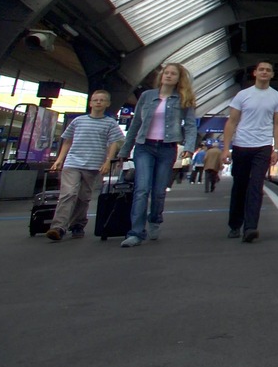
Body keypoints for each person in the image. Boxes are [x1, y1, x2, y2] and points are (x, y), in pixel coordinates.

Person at [118, 63, 198, 248]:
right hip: (144, 147)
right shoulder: (147, 96)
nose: (168, 76)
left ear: (179, 79)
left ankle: (155, 220)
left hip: (167, 148)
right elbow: (136, 124)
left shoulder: (183, 98)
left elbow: (191, 125)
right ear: (161, 76)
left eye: (173, 74)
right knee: (142, 189)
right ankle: (136, 232)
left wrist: (189, 147)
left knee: (159, 191)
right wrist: (124, 150)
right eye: (166, 73)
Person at [45, 89, 124, 241]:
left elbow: (114, 142)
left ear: (107, 104)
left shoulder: (110, 123)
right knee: (68, 193)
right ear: (90, 103)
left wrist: (108, 161)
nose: (98, 102)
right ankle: (58, 227)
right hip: (72, 162)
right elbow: (67, 140)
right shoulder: (78, 121)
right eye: (95, 100)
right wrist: (60, 159)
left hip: (93, 165)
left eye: (102, 100)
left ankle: (77, 224)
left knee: (83, 197)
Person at [222, 62, 278, 242]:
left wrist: (276, 149)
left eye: (268, 70)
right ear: (255, 73)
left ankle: (250, 227)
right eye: (261, 69)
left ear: (272, 74)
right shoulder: (243, 95)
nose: (264, 72)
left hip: (263, 146)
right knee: (240, 186)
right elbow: (232, 122)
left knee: (256, 186)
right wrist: (226, 148)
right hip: (241, 145)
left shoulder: (277, 97)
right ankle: (235, 224)